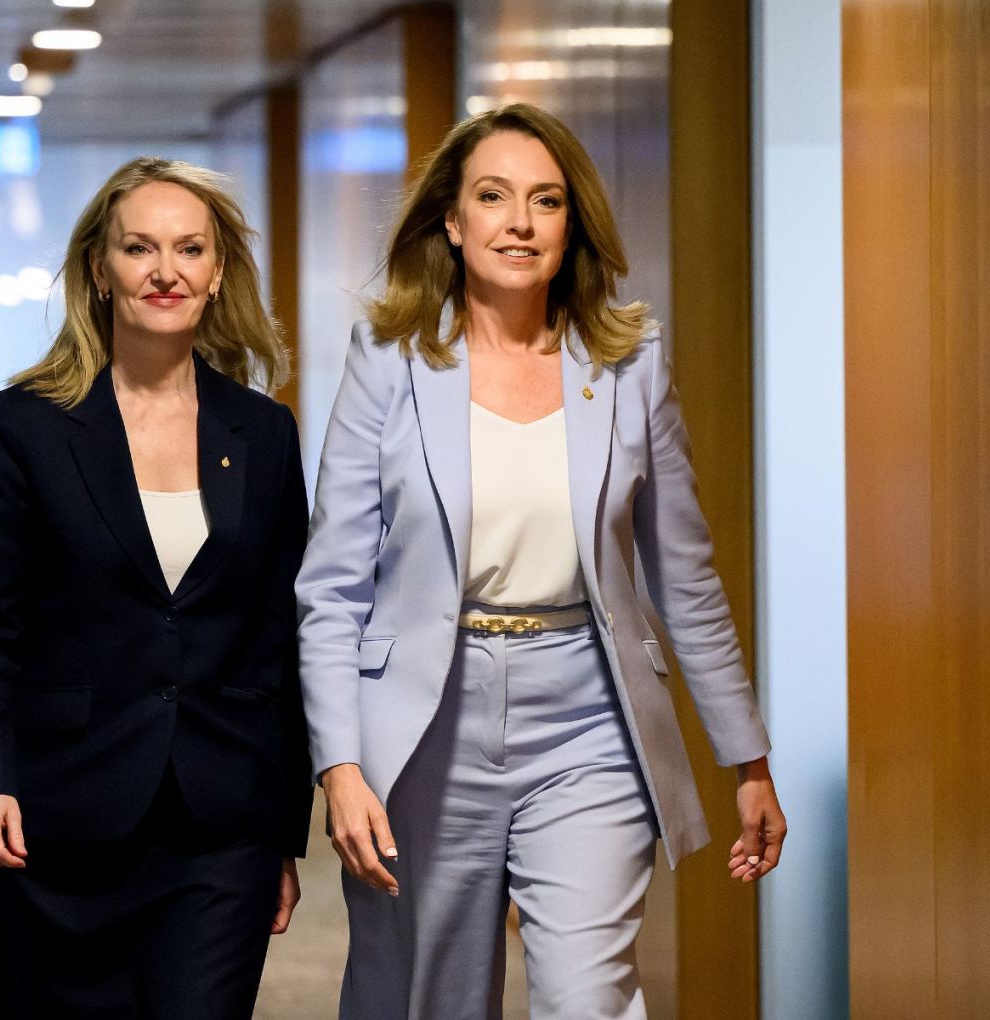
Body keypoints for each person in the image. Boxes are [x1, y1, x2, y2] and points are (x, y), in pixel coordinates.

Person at [296, 103, 787, 1019]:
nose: (519, 222)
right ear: (453, 219)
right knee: (425, 1000)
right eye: (493, 196)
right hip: (423, 724)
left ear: (572, 224)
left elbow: (685, 577)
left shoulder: (629, 360)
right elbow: (330, 584)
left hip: (589, 720)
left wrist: (746, 760)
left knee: (590, 998)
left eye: (545, 201)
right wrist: (341, 766)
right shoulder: (390, 354)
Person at [0, 156, 312, 1019]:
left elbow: (281, 637)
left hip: (222, 826)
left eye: (189, 250)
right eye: (139, 248)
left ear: (218, 274)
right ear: (100, 272)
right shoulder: (28, 424)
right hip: (58, 815)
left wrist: (281, 833)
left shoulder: (262, 432)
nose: (164, 271)